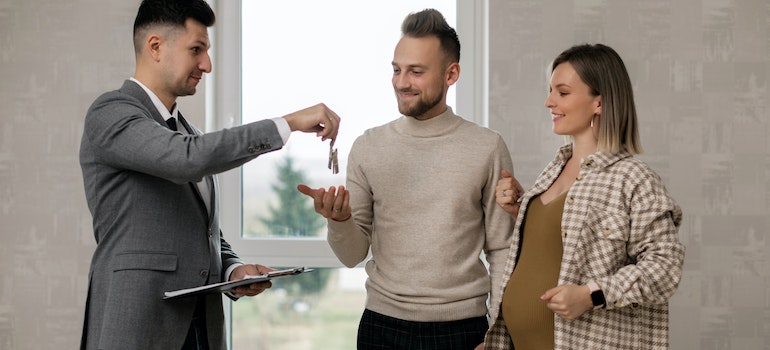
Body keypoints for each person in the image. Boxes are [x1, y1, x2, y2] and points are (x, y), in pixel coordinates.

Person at [78, 0, 340, 349]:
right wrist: (287, 123)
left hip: (202, 329)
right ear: (155, 47)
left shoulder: (189, 134)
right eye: (196, 50)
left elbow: (202, 229)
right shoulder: (111, 113)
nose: (207, 64)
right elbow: (186, 159)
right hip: (137, 327)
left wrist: (232, 270)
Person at [298, 8, 521, 349]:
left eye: (416, 72)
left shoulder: (487, 147)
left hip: (463, 330)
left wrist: (500, 333)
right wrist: (339, 221)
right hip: (381, 328)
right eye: (397, 70)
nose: (402, 82)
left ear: (451, 74)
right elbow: (352, 255)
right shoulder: (368, 146)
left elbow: (502, 247)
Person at [483, 43, 685, 349]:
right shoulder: (554, 169)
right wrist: (520, 210)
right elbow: (556, 244)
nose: (549, 102)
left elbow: (665, 268)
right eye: (550, 91)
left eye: (562, 93)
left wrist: (592, 294)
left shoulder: (634, 179)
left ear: (599, 103)